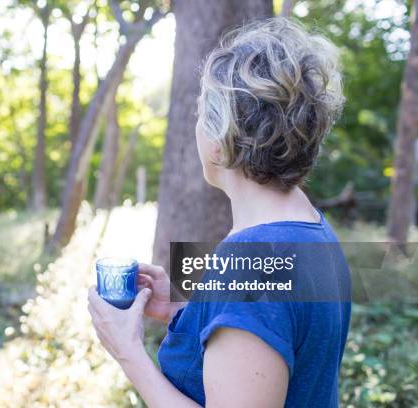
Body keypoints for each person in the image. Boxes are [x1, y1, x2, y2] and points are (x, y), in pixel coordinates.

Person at [88, 17, 351, 407]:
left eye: (200, 113)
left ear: (219, 139)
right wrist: (186, 311)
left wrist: (128, 352)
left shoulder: (248, 262)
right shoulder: (312, 230)